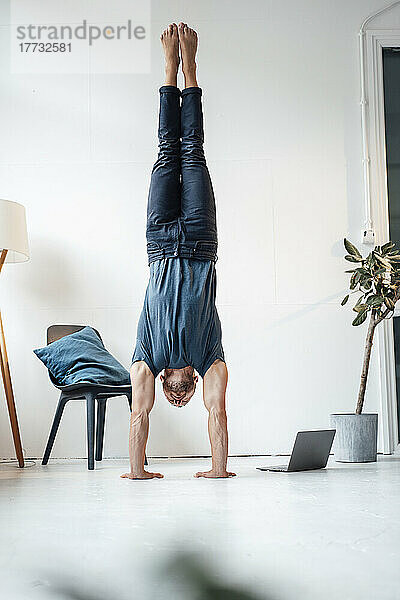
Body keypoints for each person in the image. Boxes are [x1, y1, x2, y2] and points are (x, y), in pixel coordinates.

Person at [121, 23, 235, 480]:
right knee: (193, 153)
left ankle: (170, 65)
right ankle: (190, 66)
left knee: (170, 152)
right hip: (200, 239)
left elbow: (137, 415)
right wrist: (218, 470)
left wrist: (137, 471)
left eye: (176, 397)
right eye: (185, 397)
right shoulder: (208, 355)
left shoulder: (149, 357)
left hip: (160, 243)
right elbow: (218, 411)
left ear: (167, 381)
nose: (180, 399)